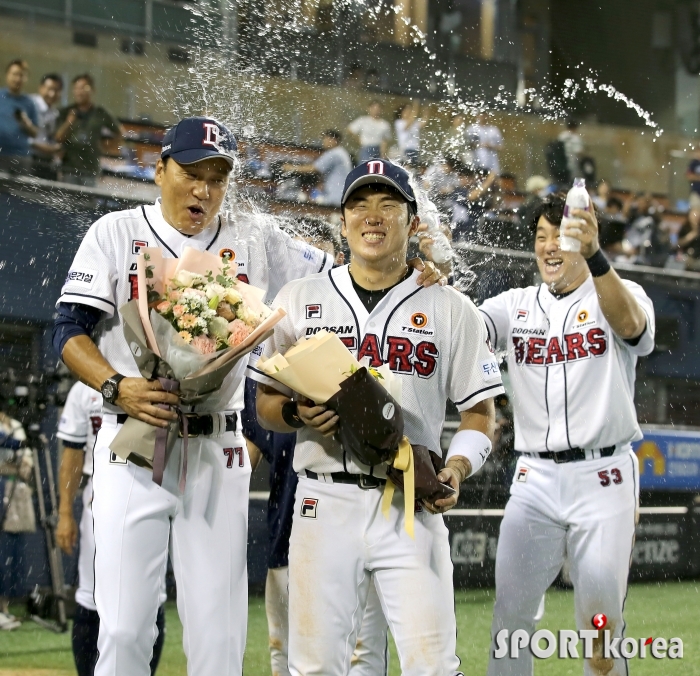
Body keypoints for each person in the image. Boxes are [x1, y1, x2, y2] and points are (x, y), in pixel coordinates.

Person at [52, 116, 440, 676]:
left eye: (217, 176)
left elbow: (346, 274)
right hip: (133, 439)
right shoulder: (114, 232)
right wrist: (117, 386)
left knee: (220, 635)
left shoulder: (255, 238)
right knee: (122, 628)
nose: (204, 188)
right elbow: (69, 329)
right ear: (160, 170)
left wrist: (411, 269)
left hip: (217, 446)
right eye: (191, 172)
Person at [252, 159, 502, 676]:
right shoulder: (300, 298)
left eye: (388, 204)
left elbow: (480, 413)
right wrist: (298, 413)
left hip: (409, 501)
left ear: (413, 224)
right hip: (325, 498)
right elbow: (266, 407)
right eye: (359, 204)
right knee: (315, 667)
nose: (373, 216)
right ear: (341, 222)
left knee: (433, 666)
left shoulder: (452, 307)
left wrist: (456, 468)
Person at [480, 193, 655, 676]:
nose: (550, 247)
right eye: (541, 237)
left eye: (562, 235)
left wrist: (598, 258)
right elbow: (463, 331)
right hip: (534, 477)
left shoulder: (622, 292)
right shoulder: (514, 306)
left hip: (604, 476)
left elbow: (635, 329)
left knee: (600, 624)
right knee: (510, 618)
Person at [56, 381, 166, 676]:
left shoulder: (157, 372)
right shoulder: (84, 386)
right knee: (91, 594)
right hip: (102, 487)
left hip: (154, 477)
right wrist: (65, 512)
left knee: (150, 596)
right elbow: (72, 450)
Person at [55, 74, 123, 187]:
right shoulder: (66, 111)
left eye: (83, 88)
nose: (79, 92)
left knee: (89, 202)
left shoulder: (100, 113)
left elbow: (119, 132)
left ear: (92, 90)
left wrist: (107, 147)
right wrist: (69, 122)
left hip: (91, 169)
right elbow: (58, 138)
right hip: (69, 168)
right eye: (76, 88)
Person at [0, 406, 31, 631]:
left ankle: (4, 609)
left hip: (15, 493)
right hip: (3, 489)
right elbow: (12, 444)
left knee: (9, 556)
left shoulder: (16, 425)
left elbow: (26, 465)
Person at [281, 130, 352, 207]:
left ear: (334, 140)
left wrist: (291, 168)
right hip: (341, 195)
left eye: (326, 139)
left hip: (335, 196)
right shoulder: (342, 152)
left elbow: (313, 168)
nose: (324, 141)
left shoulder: (334, 153)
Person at [0, 59, 38, 174]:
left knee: (19, 191)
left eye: (21, 75)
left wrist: (26, 123)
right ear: (7, 75)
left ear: (26, 78)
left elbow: (35, 133)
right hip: (1, 153)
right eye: (15, 74)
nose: (17, 79)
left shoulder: (29, 102)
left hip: (20, 157)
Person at [29, 73, 63, 180]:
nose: (52, 94)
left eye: (56, 90)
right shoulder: (30, 104)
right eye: (49, 89)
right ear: (41, 88)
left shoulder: (54, 113)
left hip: (47, 161)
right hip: (30, 158)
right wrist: (45, 148)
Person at [394, 101, 426, 166]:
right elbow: (409, 123)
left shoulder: (414, 122)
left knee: (414, 170)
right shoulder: (399, 122)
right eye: (406, 111)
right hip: (405, 149)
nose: (409, 113)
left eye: (410, 111)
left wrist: (425, 109)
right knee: (406, 168)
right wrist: (416, 107)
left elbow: (424, 121)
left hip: (415, 149)